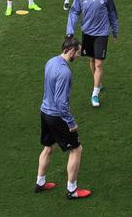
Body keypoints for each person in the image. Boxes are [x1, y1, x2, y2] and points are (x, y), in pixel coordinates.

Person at [35, 37, 91, 199]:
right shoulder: (65, 72)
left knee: (48, 147)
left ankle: (40, 183)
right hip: (57, 116)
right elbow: (61, 102)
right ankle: (72, 190)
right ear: (71, 50)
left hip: (44, 112)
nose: (78, 56)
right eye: (78, 52)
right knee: (76, 149)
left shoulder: (51, 61)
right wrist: (71, 122)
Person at [65, 0, 119, 108]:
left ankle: (95, 93)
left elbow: (112, 13)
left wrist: (115, 30)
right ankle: (98, 83)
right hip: (87, 33)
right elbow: (74, 12)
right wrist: (70, 31)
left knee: (99, 63)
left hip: (102, 33)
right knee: (92, 60)